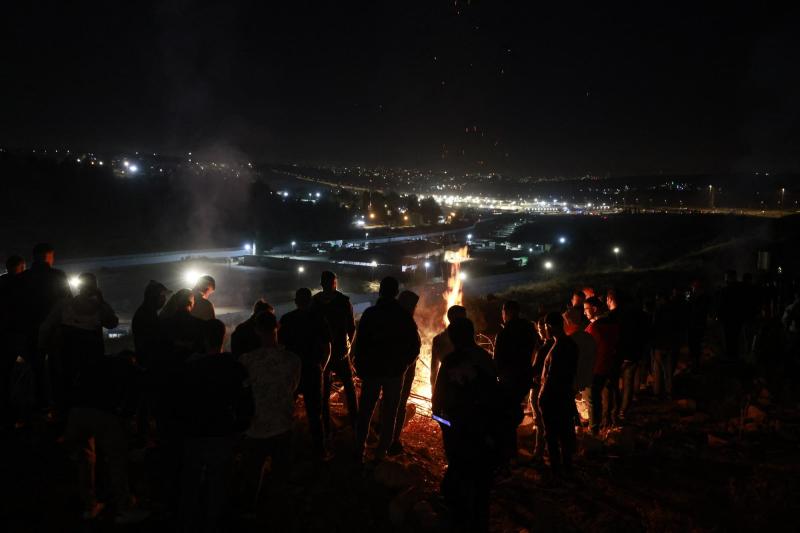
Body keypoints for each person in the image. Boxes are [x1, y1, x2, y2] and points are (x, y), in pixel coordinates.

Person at [177, 319, 253, 533]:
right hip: (222, 432)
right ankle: (213, 522)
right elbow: (245, 401)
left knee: (190, 482)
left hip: (193, 433)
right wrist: (241, 426)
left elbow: (179, 401)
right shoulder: (235, 367)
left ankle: (187, 522)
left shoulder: (189, 368)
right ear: (224, 337)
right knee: (218, 482)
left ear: (203, 339)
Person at [64, 352, 150, 525]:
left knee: (85, 460)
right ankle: (124, 508)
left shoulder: (96, 363)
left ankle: (90, 506)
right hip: (103, 413)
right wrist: (130, 423)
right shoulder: (131, 369)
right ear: (132, 360)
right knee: (116, 460)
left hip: (76, 412)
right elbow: (133, 401)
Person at [431, 318, 499, 532]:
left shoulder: (451, 361)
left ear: (454, 338)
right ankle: (479, 521)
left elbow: (438, 400)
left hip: (459, 428)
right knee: (480, 482)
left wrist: (443, 422)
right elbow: (494, 394)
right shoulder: (486, 358)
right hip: (481, 429)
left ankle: (458, 518)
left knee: (459, 471)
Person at [352, 277, 420, 462]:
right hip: (393, 374)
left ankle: (359, 452)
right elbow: (415, 347)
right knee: (389, 414)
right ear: (396, 293)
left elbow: (359, 345)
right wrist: (403, 367)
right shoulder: (404, 317)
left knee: (365, 412)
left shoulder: (370, 314)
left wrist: (360, 366)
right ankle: (380, 457)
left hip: (372, 372)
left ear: (380, 291)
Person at [239, 312, 301, 513]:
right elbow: (293, 388)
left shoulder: (246, 361)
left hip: (255, 428)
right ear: (278, 327)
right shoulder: (292, 360)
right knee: (281, 477)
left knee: (251, 476)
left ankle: (250, 512)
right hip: (282, 425)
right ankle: (279, 515)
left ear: (257, 331)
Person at [38, 272, 119, 418]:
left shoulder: (65, 305)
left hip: (69, 360)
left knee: (70, 394)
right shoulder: (96, 307)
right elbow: (112, 323)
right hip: (89, 360)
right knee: (88, 394)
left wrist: (43, 348)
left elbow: (45, 328)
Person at [278, 288, 331, 460]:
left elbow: (281, 348)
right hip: (312, 370)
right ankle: (320, 451)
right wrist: (322, 366)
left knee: (286, 411)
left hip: (292, 372)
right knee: (315, 414)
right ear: (310, 301)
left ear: (295, 301)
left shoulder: (287, 320)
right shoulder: (319, 319)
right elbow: (327, 347)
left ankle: (285, 451)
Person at [18, 242, 71, 409]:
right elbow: (67, 300)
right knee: (57, 367)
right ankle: (59, 404)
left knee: (36, 368)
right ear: (49, 256)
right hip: (54, 328)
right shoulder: (58, 275)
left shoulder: (24, 278)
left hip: (30, 329)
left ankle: (39, 404)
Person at [311, 271, 358, 437]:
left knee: (337, 387)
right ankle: (334, 424)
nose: (331, 285)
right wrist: (348, 348)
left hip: (336, 351)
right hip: (331, 351)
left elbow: (352, 328)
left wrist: (348, 348)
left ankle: (351, 422)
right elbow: (352, 328)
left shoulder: (337, 302)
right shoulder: (319, 302)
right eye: (330, 282)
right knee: (333, 387)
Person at [493, 300, 537, 460]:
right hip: (525, 376)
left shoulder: (505, 333)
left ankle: (509, 452)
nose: (502, 315)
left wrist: (494, 375)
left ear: (508, 312)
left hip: (509, 378)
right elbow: (536, 350)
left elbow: (497, 360)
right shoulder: (529, 329)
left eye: (503, 312)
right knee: (514, 410)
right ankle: (514, 448)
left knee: (507, 414)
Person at [538, 312, 578, 477]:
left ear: (550, 327)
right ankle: (567, 466)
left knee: (552, 434)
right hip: (566, 395)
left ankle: (556, 469)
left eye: (546, 327)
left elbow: (552, 377)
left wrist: (542, 397)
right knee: (566, 432)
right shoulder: (571, 344)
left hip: (553, 398)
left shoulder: (558, 348)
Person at [607, 288, 649, 420]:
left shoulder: (612, 316)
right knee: (628, 384)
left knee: (613, 384)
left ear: (610, 299)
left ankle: (614, 411)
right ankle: (623, 412)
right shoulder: (639, 314)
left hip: (617, 354)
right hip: (634, 353)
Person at [389, 289, 420, 455]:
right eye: (414, 305)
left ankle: (385, 438)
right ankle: (393, 441)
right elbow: (414, 348)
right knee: (399, 405)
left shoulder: (388, 317)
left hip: (390, 369)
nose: (415, 308)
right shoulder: (406, 321)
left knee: (391, 403)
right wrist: (405, 365)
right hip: (400, 371)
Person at [584, 295, 620, 434]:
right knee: (608, 395)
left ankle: (594, 429)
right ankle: (608, 422)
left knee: (593, 399)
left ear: (594, 309)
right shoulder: (612, 323)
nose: (585, 312)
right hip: (610, 365)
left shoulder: (594, 328)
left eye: (586, 309)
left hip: (596, 368)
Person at [0, 255, 25, 423]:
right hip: (21, 332)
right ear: (22, 266)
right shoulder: (26, 283)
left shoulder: (1, 282)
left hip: (3, 333)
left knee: (4, 372)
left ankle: (5, 407)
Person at [132, 280, 170, 370]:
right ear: (154, 297)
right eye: (162, 296)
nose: (165, 299)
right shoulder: (147, 315)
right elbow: (154, 341)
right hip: (150, 363)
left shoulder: (147, 312)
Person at [529, 318, 553, 458]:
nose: (540, 331)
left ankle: (539, 453)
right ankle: (547, 449)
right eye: (538, 328)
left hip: (540, 389)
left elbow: (535, 370)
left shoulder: (545, 348)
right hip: (545, 389)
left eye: (542, 328)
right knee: (545, 421)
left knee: (540, 421)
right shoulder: (546, 346)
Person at [430, 305, 467, 389]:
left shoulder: (437, 339)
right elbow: (434, 368)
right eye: (464, 317)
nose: (466, 319)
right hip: (456, 383)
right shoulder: (466, 338)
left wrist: (433, 388)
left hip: (445, 382)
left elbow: (434, 369)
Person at [651, 291, 680, 400]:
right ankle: (669, 391)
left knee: (657, 369)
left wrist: (653, 344)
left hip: (660, 344)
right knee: (668, 369)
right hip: (670, 344)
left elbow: (654, 328)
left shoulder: (658, 311)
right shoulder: (674, 311)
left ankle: (657, 392)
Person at [717, 270, 743, 359]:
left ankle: (730, 357)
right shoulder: (740, 289)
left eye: (726, 277)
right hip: (737, 318)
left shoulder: (725, 290)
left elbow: (721, 305)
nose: (725, 279)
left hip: (728, 319)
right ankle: (735, 356)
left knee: (729, 338)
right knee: (735, 338)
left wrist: (719, 316)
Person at [687, 280, 710, 371]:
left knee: (695, 345)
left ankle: (696, 365)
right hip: (695, 325)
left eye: (694, 288)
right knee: (694, 345)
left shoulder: (702, 299)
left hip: (697, 325)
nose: (693, 290)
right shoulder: (698, 298)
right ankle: (695, 363)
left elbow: (698, 311)